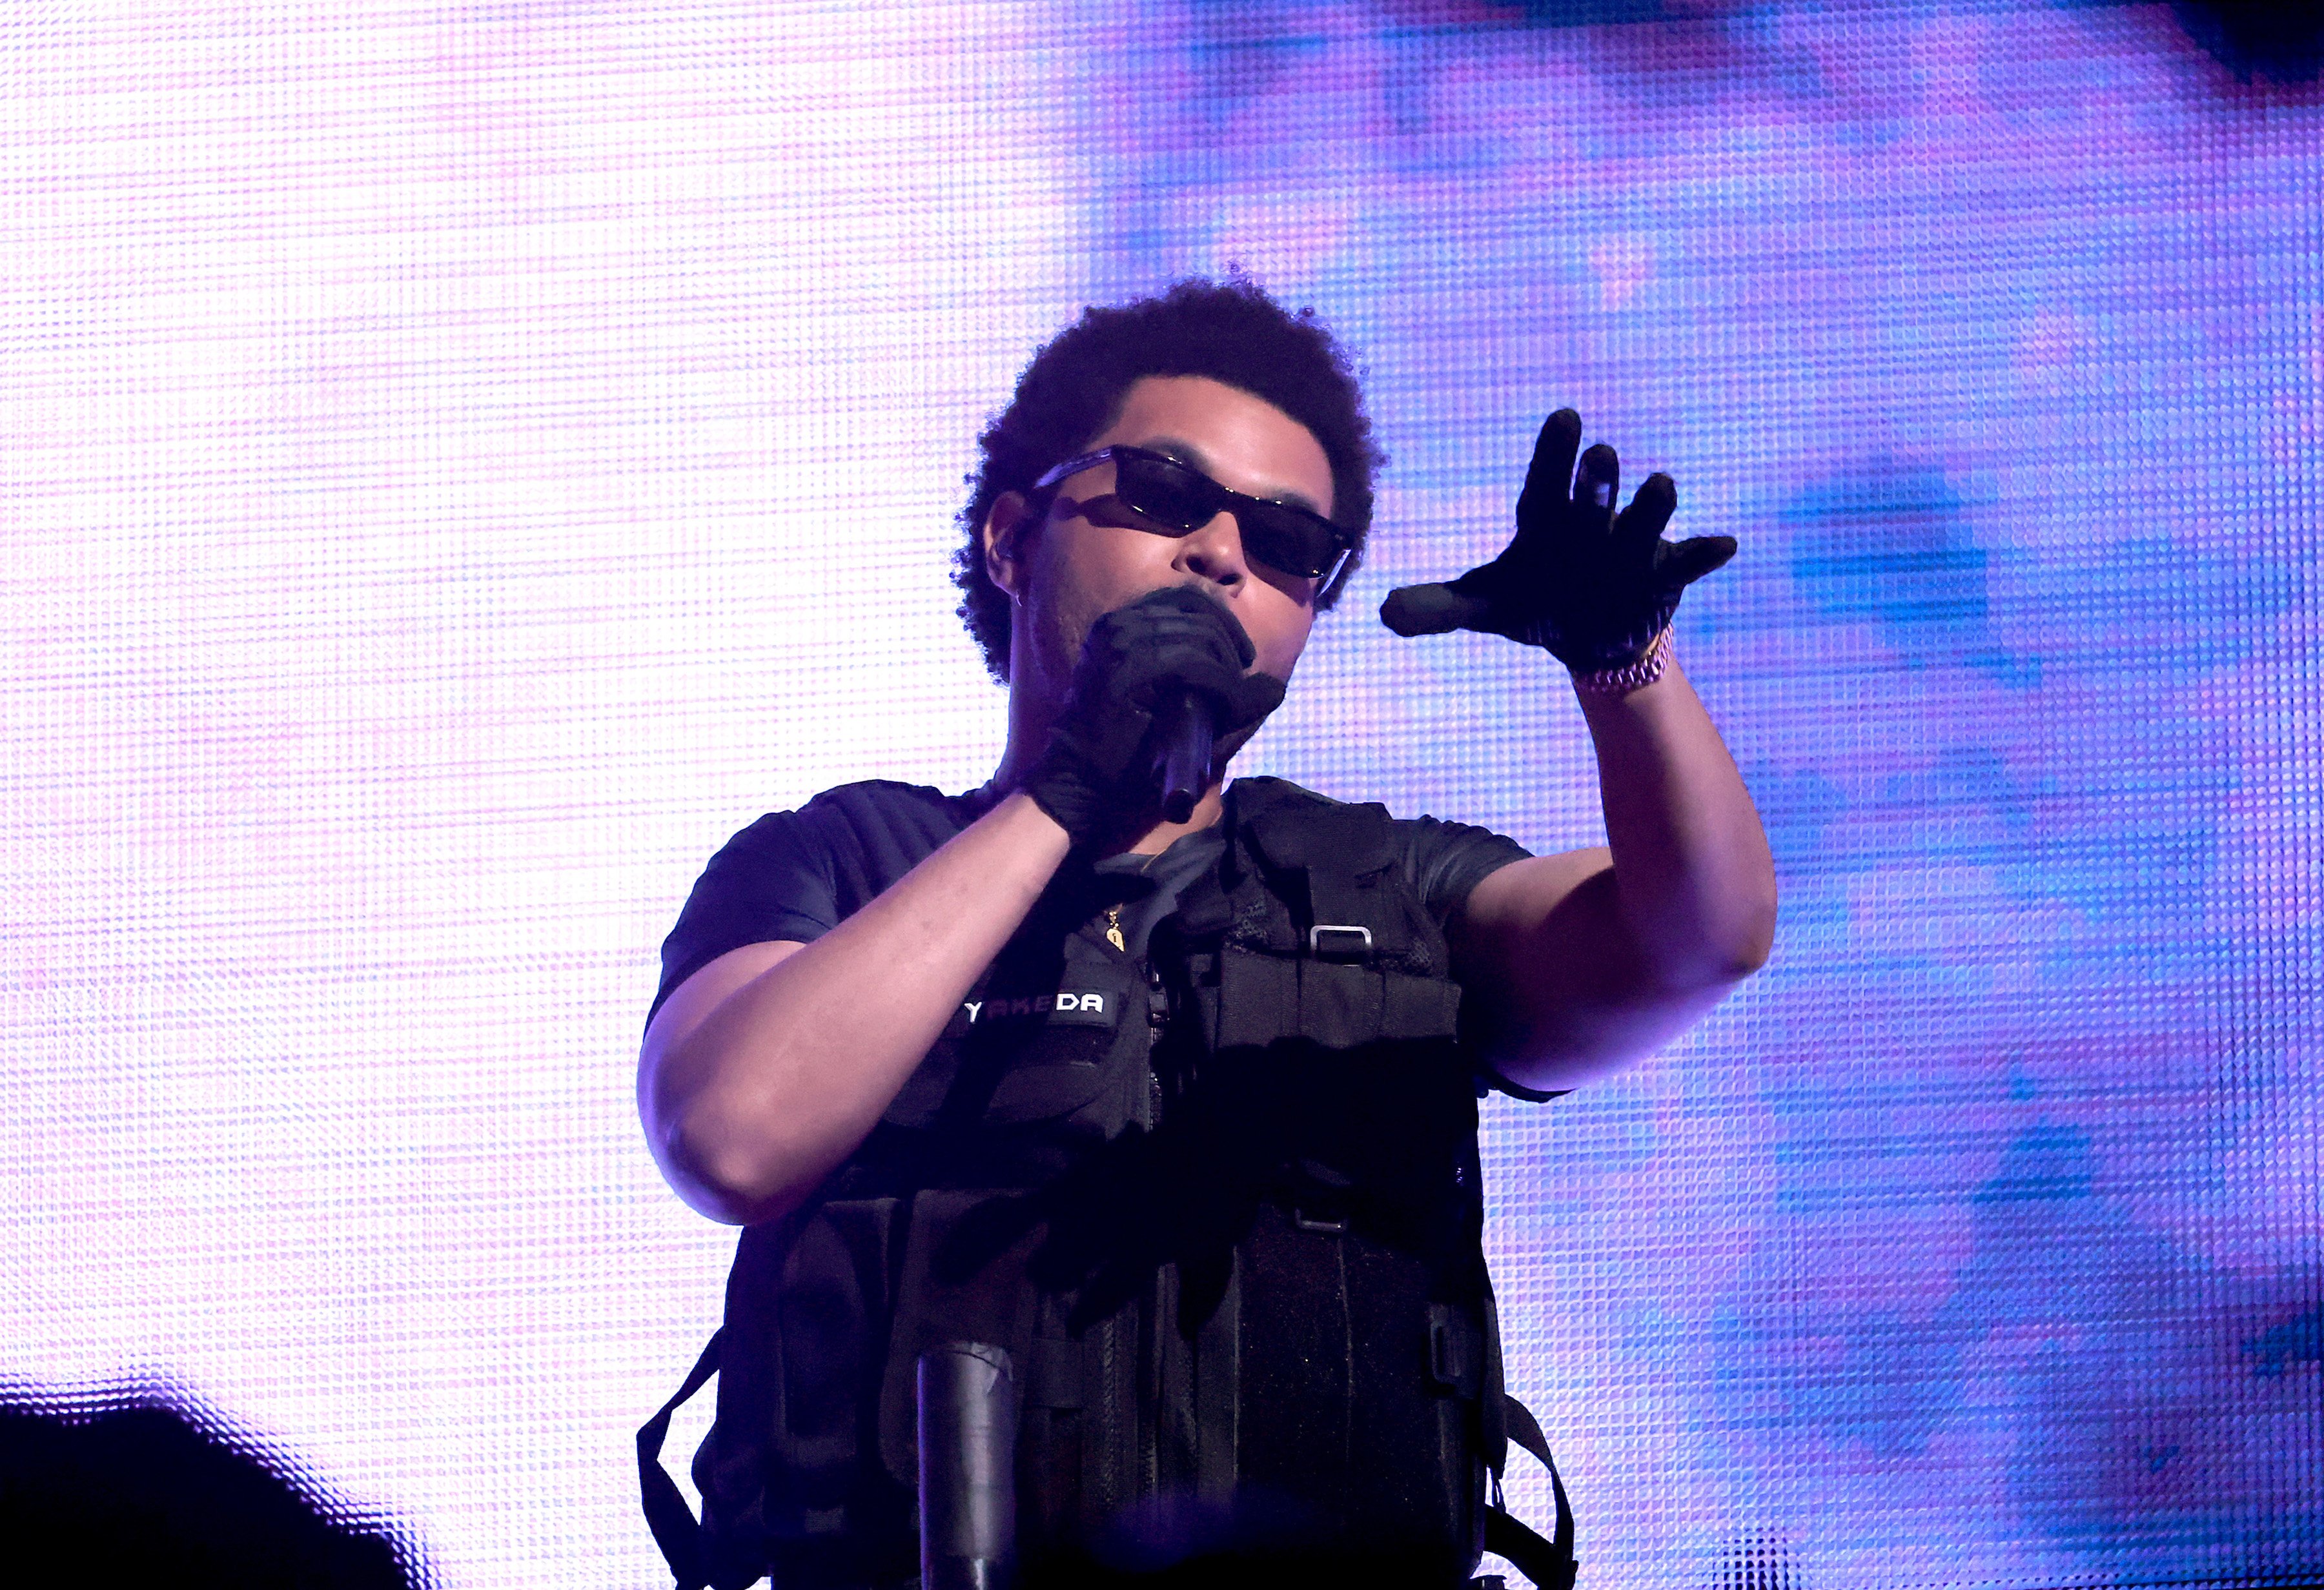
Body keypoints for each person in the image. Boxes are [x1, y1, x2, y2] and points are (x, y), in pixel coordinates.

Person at [636, 278, 1776, 1590]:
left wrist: (1625, 664)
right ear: (1013, 537)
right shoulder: (842, 861)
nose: (1221, 552)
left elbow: (1705, 934)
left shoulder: (1392, 883)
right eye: (1164, 495)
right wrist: (1072, 794)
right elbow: (731, 1130)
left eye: (1289, 544)